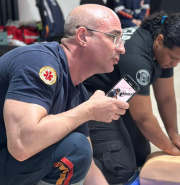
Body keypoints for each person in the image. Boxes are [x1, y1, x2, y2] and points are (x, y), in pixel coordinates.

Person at [0, 4, 128, 185]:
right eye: (114, 37)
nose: (121, 48)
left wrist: (86, 109)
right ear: (83, 36)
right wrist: (89, 110)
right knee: (76, 148)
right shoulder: (38, 63)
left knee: (82, 152)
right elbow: (21, 144)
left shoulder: (78, 91)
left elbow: (88, 167)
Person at [84, 12, 180, 184]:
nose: (175, 64)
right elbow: (143, 117)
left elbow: (166, 97)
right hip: (89, 101)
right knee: (120, 169)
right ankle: (76, 161)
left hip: (115, 97)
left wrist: (173, 134)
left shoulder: (163, 51)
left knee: (141, 156)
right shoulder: (137, 58)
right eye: (174, 58)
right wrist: (170, 148)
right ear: (159, 40)